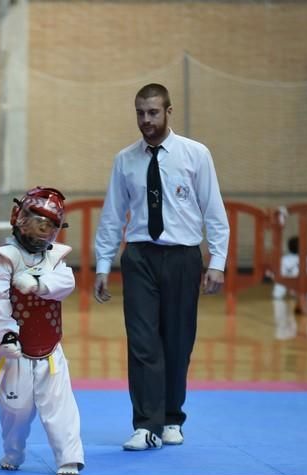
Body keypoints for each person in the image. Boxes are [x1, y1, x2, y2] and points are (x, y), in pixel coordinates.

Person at [93, 83, 230, 451]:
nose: (145, 120)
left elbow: (213, 210)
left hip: (183, 257)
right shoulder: (125, 160)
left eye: (153, 112)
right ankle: (145, 425)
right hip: (139, 256)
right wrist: (103, 263)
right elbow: (111, 215)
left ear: (169, 112)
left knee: (177, 341)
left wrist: (217, 262)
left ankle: (172, 417)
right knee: (141, 342)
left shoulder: (195, 154)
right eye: (140, 113)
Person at [0, 186, 84, 475]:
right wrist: (6, 334)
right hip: (17, 351)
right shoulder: (4, 260)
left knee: (61, 406)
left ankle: (69, 458)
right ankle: (13, 451)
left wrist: (38, 284)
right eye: (37, 221)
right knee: (16, 411)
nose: (42, 230)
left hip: (51, 350)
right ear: (19, 217)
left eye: (49, 225)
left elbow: (66, 284)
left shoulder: (56, 259)